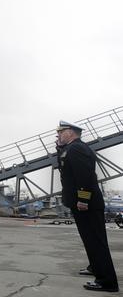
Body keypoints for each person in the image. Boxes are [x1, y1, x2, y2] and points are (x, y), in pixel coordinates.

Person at [56, 120, 118, 292]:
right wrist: (59, 148)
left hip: (87, 204)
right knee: (90, 241)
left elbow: (85, 176)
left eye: (61, 132)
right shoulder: (72, 148)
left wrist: (83, 199)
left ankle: (107, 282)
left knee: (96, 242)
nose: (58, 135)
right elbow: (65, 167)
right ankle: (95, 268)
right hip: (83, 203)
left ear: (70, 132)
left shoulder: (76, 148)